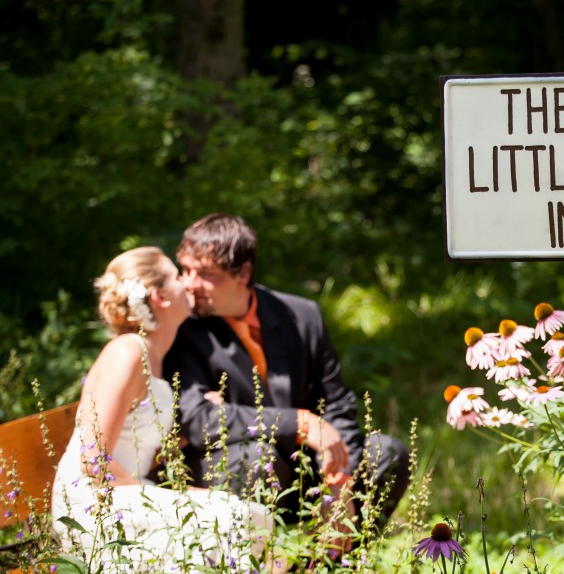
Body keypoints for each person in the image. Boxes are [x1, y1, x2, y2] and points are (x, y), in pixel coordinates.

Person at [165, 213, 409, 543]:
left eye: (206, 274)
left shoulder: (301, 316)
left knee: (387, 453)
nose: (189, 283)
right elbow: (198, 420)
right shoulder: (184, 328)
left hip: (303, 470)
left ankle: (335, 561)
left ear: (243, 273)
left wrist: (339, 479)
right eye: (186, 270)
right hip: (232, 468)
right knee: (258, 460)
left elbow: (337, 404)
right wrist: (300, 423)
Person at [52, 247, 270, 571]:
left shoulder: (155, 358)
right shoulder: (126, 352)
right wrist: (165, 496)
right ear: (160, 297)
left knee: (251, 517)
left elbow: (135, 445)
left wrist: (179, 437)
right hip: (92, 503)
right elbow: (93, 460)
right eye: (177, 275)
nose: (188, 282)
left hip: (122, 492)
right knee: (235, 517)